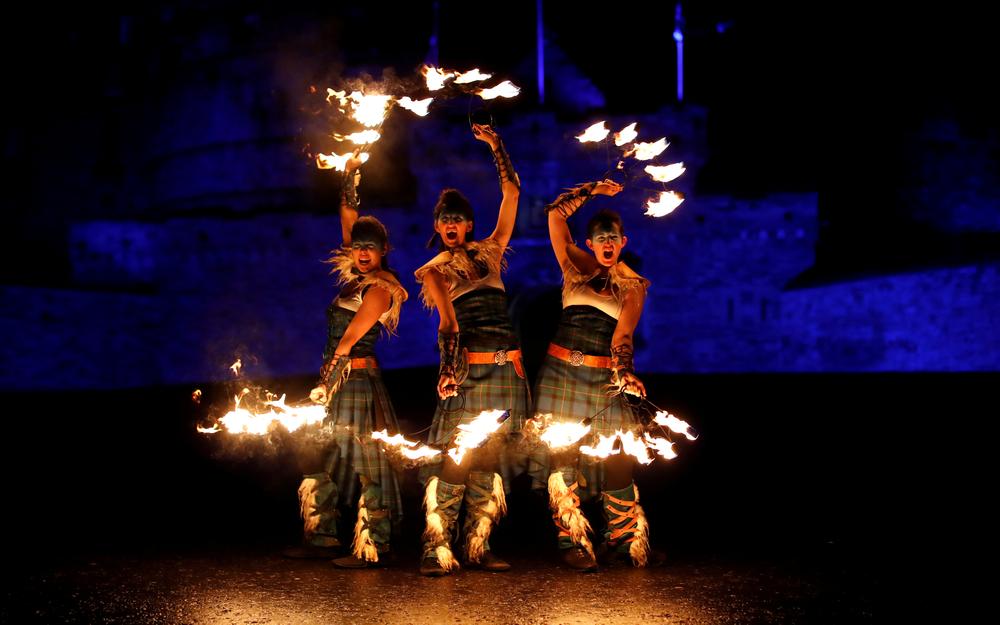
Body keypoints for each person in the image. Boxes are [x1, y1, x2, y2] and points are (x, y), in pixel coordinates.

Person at [413, 123, 529, 576]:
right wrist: (446, 370)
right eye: (444, 221)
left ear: (469, 224)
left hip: (508, 371)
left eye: (457, 219)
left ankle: (478, 545)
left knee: (489, 458)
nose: (450, 226)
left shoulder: (492, 251)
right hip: (469, 372)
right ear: (437, 228)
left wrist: (497, 146)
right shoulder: (435, 272)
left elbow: (513, 194)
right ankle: (436, 547)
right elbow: (448, 325)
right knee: (457, 458)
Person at [285, 154, 408, 568]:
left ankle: (375, 545)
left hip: (353, 381)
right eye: (358, 248)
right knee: (315, 455)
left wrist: (327, 382)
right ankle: (321, 537)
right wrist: (350, 167)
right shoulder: (355, 275)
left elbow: (350, 341)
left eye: (370, 249)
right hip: (335, 380)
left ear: (384, 251)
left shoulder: (379, 289)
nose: (362, 254)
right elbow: (348, 214)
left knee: (366, 462)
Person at [533, 179, 654, 571]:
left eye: (613, 238)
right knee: (564, 457)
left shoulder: (633, 286)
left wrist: (626, 372)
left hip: (605, 380)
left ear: (622, 241)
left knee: (618, 458)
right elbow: (555, 214)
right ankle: (572, 541)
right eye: (600, 237)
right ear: (590, 243)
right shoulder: (573, 267)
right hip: (561, 373)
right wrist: (590, 191)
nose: (606, 242)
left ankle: (622, 542)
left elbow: (623, 336)